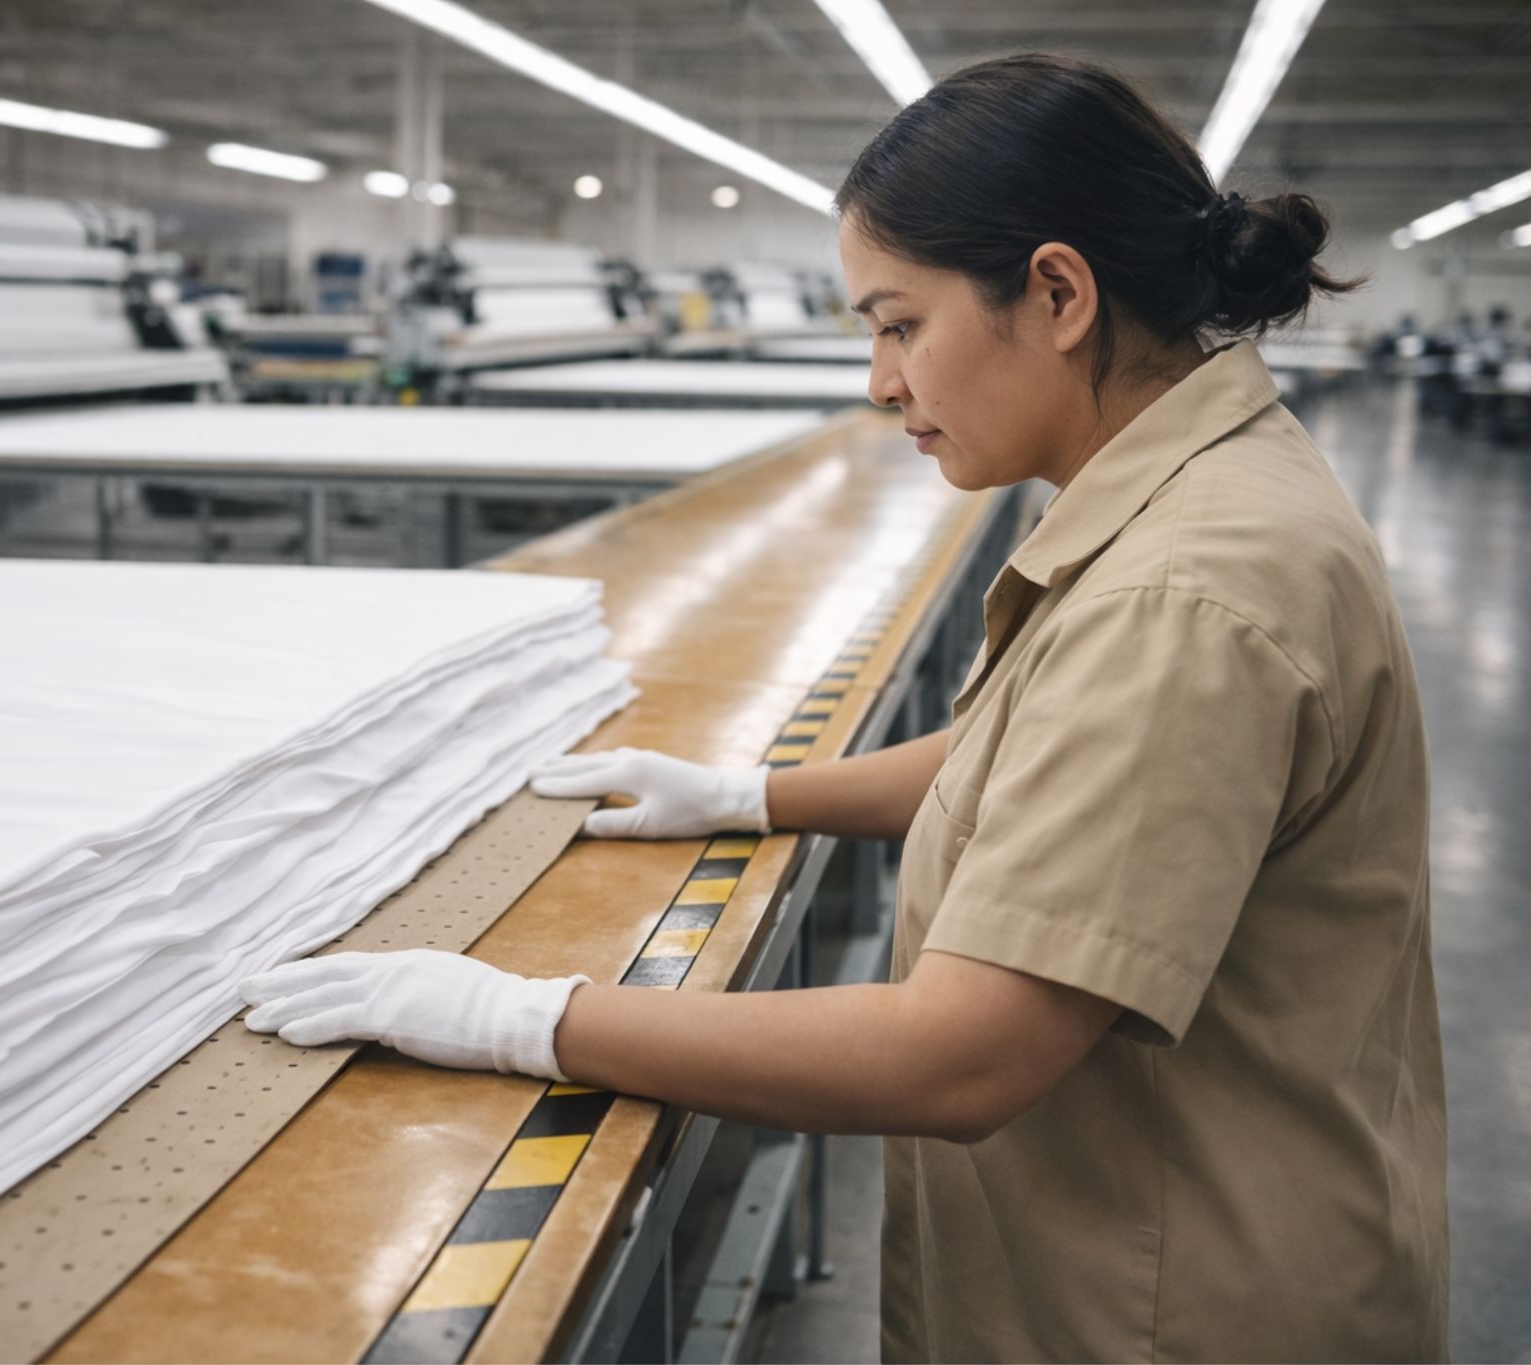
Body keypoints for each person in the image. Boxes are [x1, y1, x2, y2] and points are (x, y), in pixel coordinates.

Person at [242, 54, 1446, 1362]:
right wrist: (752, 796)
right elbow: (1032, 750)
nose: (878, 382)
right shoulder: (1204, 493)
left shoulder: (1189, 590)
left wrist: (519, 1017)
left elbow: (958, 1055)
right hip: (1170, 1237)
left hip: (1178, 1305)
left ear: (1056, 293)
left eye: (899, 324)